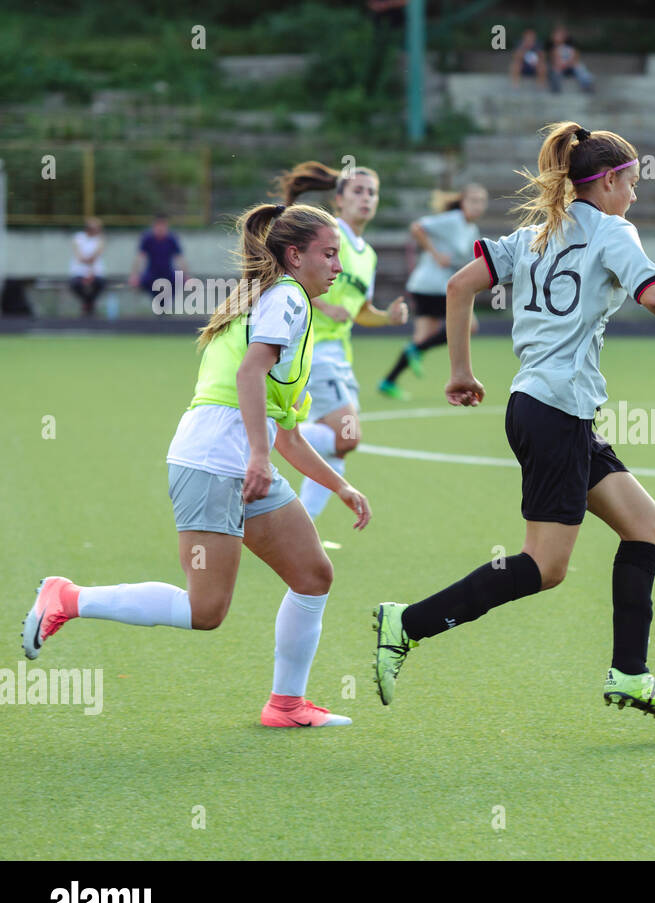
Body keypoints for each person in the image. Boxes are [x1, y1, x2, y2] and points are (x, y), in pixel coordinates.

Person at [370, 122, 655, 717]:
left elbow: (457, 285)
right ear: (604, 185)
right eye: (630, 183)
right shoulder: (611, 230)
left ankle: (631, 672)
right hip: (555, 412)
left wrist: (460, 372)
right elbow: (654, 295)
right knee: (544, 567)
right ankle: (409, 622)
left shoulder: (537, 233)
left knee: (646, 526)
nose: (635, 195)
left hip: (545, 408)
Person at [22, 202, 372, 727]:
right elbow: (249, 376)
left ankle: (286, 704)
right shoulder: (288, 300)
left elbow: (288, 435)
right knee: (205, 610)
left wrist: (340, 487)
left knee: (313, 574)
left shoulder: (280, 300)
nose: (337, 266)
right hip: (214, 461)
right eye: (328, 253)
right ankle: (68, 597)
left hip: (238, 462)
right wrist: (257, 454)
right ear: (295, 256)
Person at [273, 161, 409, 523]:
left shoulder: (369, 255)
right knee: (347, 436)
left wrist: (387, 317)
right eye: (358, 191)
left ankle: (300, 525)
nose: (366, 198)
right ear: (339, 200)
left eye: (372, 192)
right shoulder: (331, 235)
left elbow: (361, 310)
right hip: (313, 348)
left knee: (337, 452)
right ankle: (272, 432)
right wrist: (322, 305)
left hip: (339, 354)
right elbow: (290, 273)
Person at [380, 184, 488, 399]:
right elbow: (417, 227)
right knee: (471, 325)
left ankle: (388, 382)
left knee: (421, 340)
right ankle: (412, 354)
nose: (478, 206)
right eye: (473, 200)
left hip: (427, 286)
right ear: (462, 202)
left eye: (481, 201)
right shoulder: (453, 219)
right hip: (433, 285)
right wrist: (436, 254)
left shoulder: (471, 229)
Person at [128, 214, 187, 306]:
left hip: (168, 273)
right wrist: (134, 275)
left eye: (163, 226)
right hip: (152, 274)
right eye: (158, 226)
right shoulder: (148, 238)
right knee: (146, 284)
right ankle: (158, 303)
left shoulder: (171, 239)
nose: (160, 228)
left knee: (179, 282)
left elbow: (179, 258)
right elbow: (139, 258)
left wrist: (186, 275)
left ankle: (165, 303)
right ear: (154, 226)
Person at [68, 217, 105, 317]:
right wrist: (86, 268)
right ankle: (89, 304)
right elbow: (80, 257)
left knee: (100, 283)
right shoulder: (79, 238)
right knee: (75, 284)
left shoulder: (100, 239)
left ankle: (88, 305)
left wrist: (90, 273)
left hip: (95, 272)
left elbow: (95, 256)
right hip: (79, 272)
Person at [547, 26, 594, 93]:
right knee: (555, 70)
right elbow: (555, 60)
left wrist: (568, 64)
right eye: (557, 35)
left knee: (580, 67)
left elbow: (574, 59)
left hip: (570, 67)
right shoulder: (553, 48)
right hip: (560, 68)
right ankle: (556, 89)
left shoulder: (571, 47)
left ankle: (587, 85)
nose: (558, 37)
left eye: (560, 35)